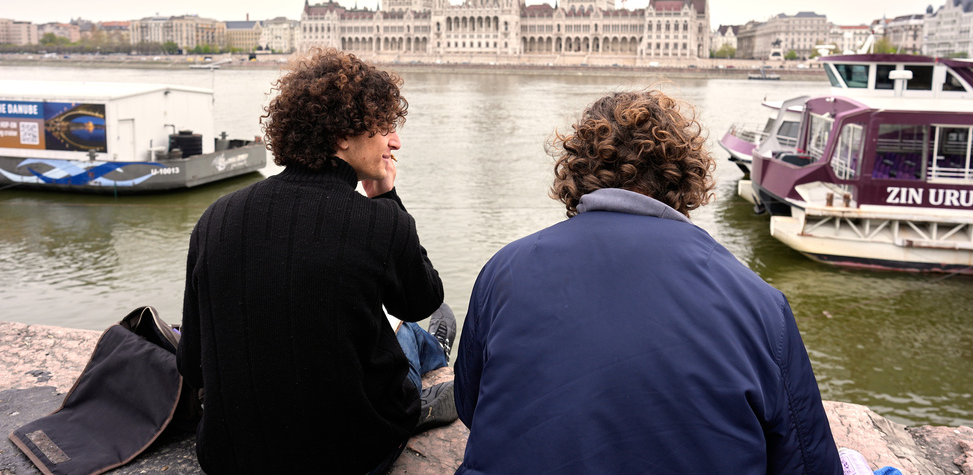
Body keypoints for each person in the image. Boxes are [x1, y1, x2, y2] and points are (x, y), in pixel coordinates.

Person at [454, 90, 843, 474]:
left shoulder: (503, 270)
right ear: (685, 177)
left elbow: (470, 405)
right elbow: (808, 461)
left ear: (577, 171)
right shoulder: (757, 302)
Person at [177, 48, 457, 475]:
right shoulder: (379, 223)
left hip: (229, 456)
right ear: (343, 137)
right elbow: (422, 298)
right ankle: (428, 365)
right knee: (427, 324)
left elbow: (192, 361)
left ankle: (426, 346)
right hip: (351, 454)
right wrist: (385, 196)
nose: (394, 142)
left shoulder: (216, 216)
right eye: (384, 128)